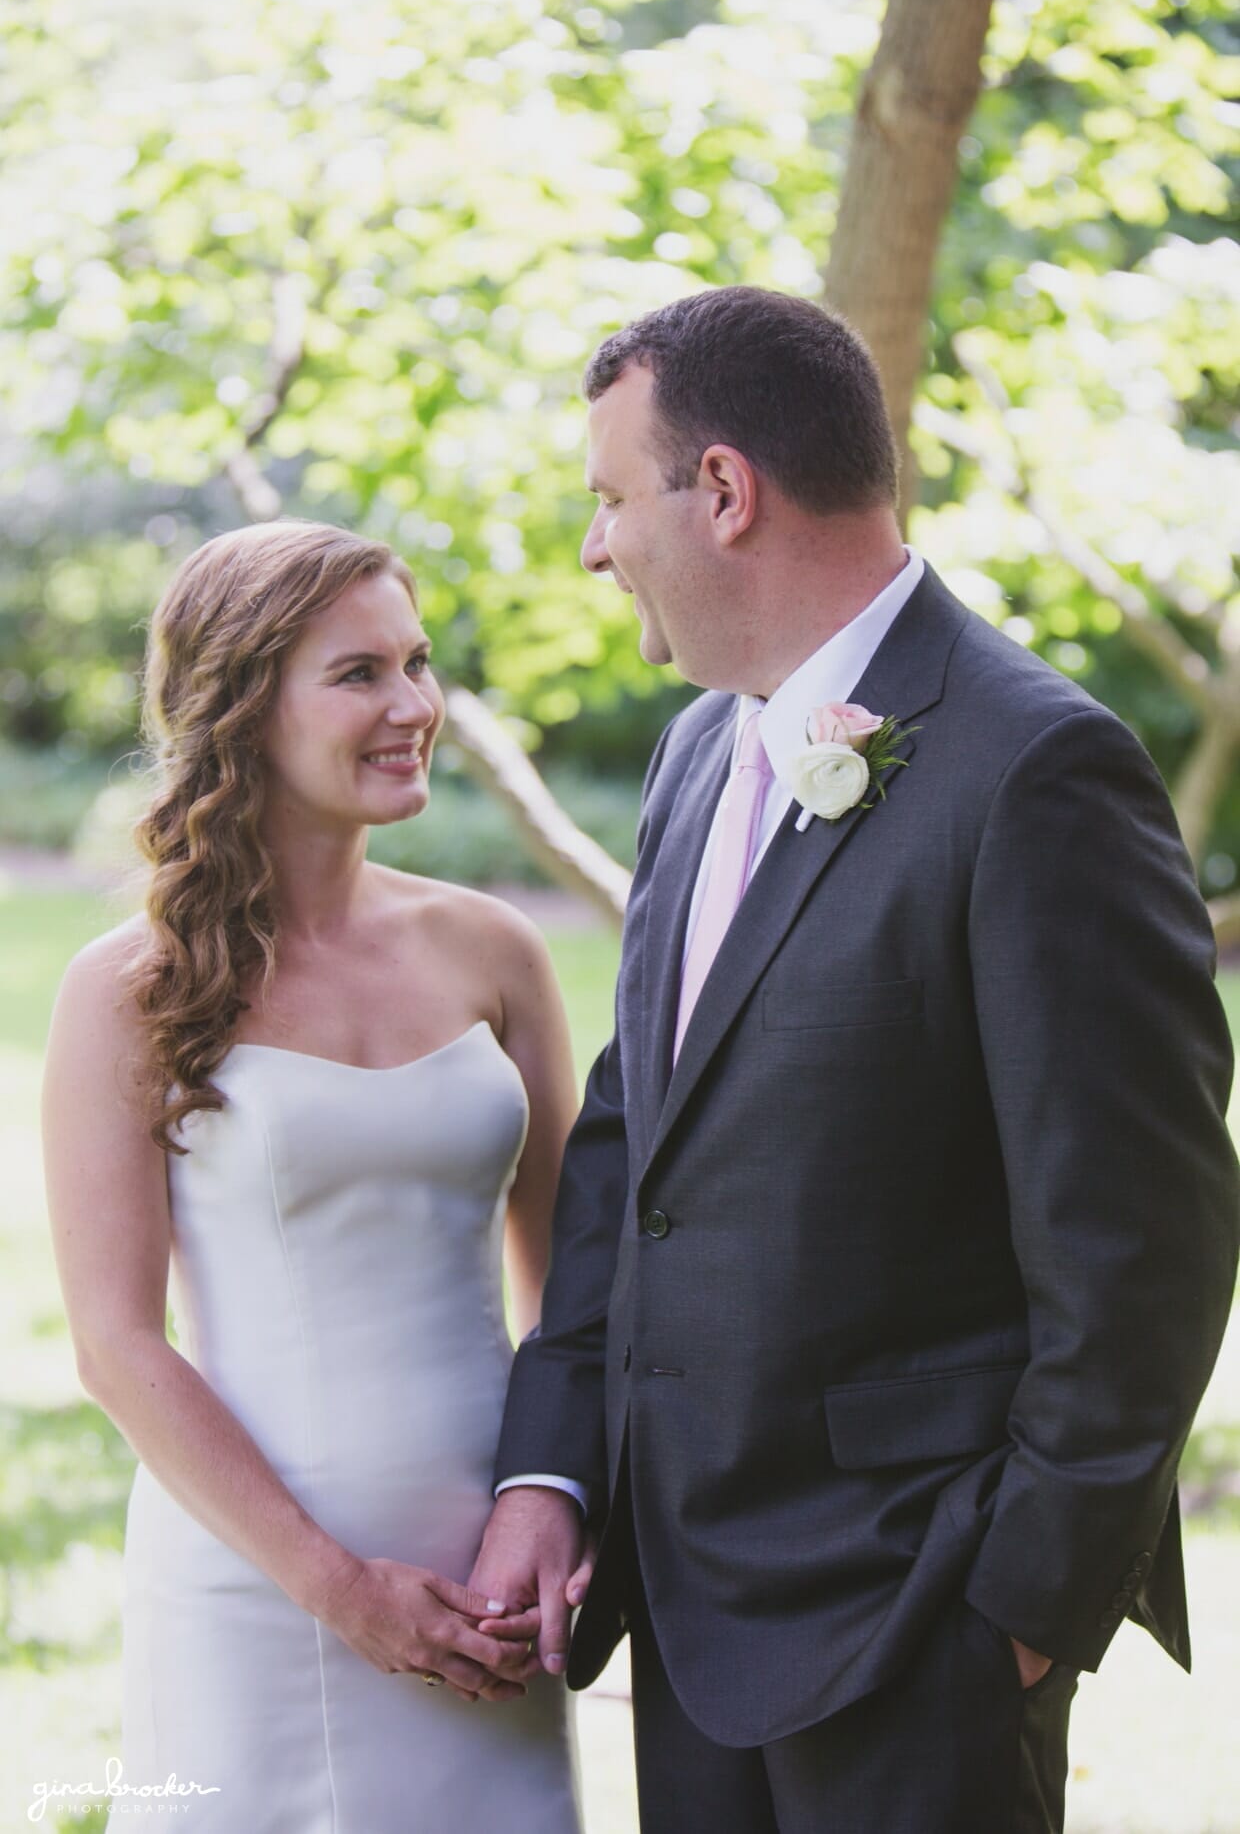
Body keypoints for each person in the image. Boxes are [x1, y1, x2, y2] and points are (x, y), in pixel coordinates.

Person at [470, 286, 1240, 1834]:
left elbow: (1142, 1247)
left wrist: (1015, 1606)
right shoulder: (701, 752)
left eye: (610, 499)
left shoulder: (1038, 768)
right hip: (683, 1614)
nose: (594, 544)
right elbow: (635, 1151)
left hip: (918, 1625)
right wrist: (548, 1476)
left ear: (726, 491)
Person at [42, 521, 582, 1832]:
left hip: (489, 1587)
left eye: (419, 663)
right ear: (242, 703)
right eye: (359, 674)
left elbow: (578, 1289)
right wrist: (337, 1584)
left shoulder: (494, 951)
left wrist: (551, 1505)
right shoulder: (129, 991)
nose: (414, 707)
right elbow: (116, 1344)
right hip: (258, 1585)